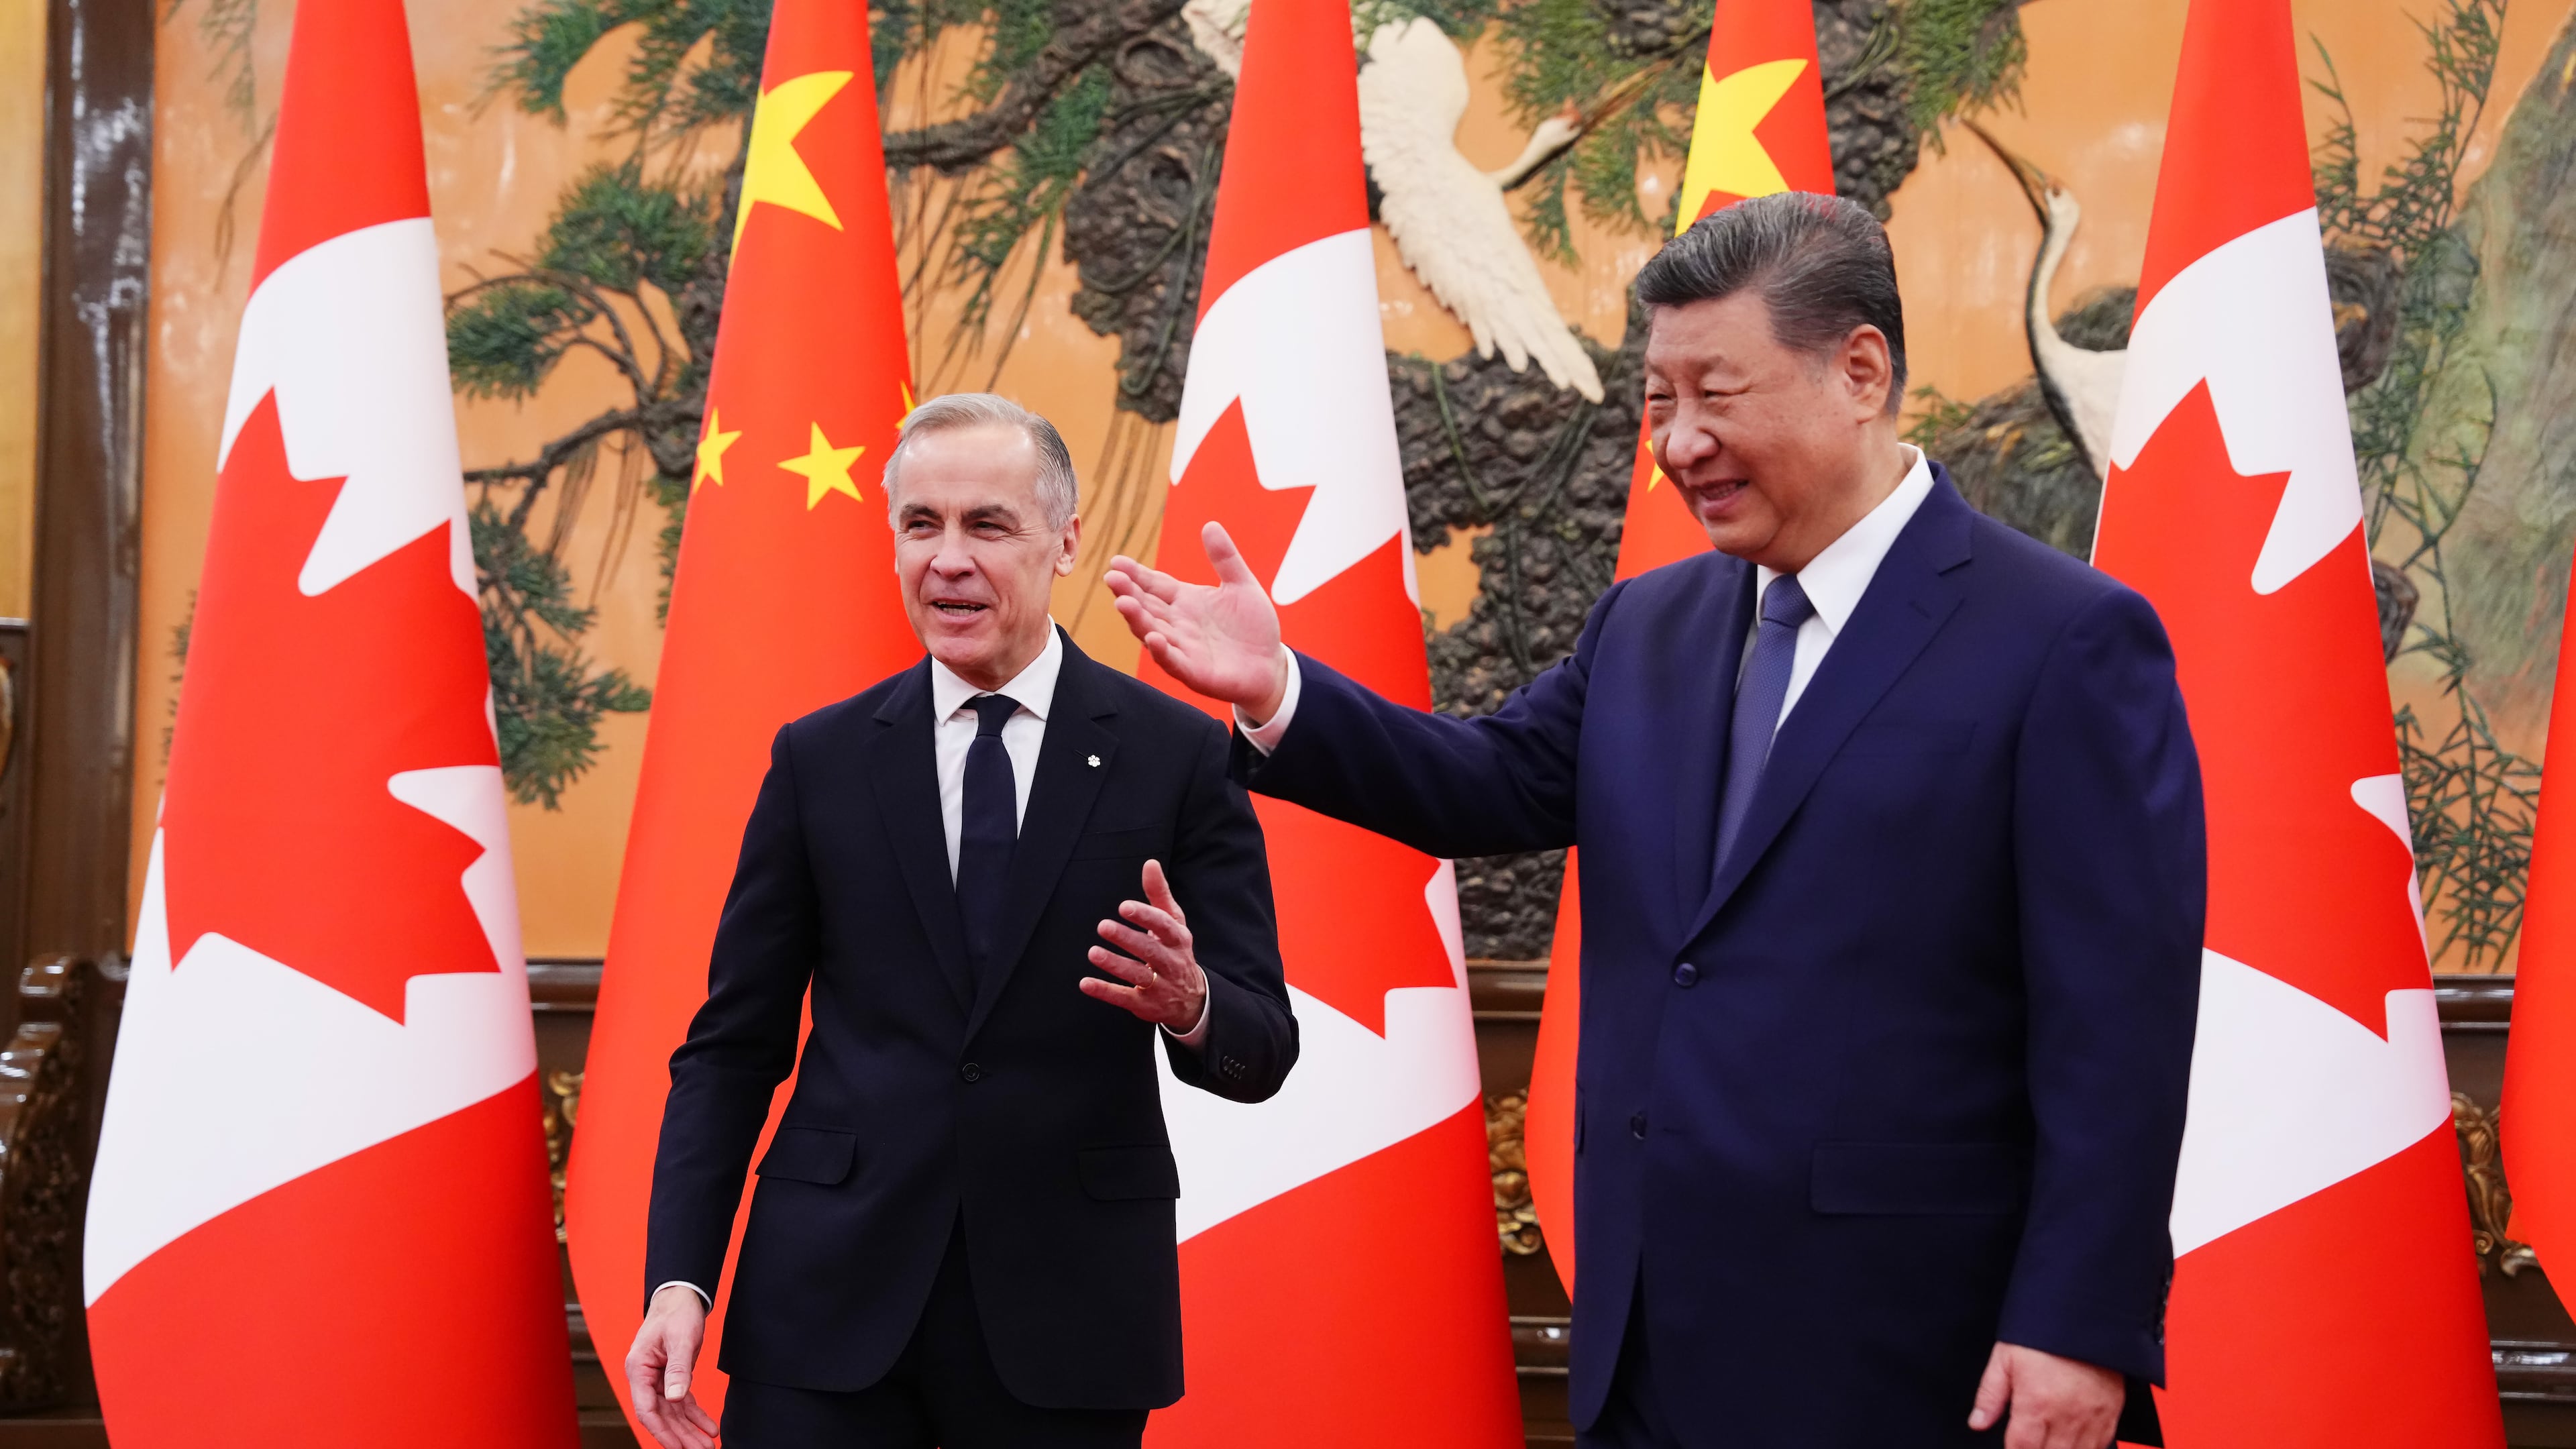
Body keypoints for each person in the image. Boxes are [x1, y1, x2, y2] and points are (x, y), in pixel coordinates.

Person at [1107, 193, 2204, 1449]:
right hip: (1651, 1340)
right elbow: (1487, 782)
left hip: (1915, 1347)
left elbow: (2118, 1025)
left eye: (1715, 395)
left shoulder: (2061, 639)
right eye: (1656, 403)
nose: (1679, 443)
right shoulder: (1651, 621)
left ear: (1860, 371)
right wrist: (1281, 694)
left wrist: (2079, 1323)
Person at [631, 393, 1298, 1449]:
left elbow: (1263, 1049)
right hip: (825, 1316)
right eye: (920, 525)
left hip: (1066, 1325)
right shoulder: (822, 760)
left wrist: (1195, 1004)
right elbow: (730, 1049)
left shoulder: (1175, 756)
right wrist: (680, 1279)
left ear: (1065, 541)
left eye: (987, 524)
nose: (947, 559)